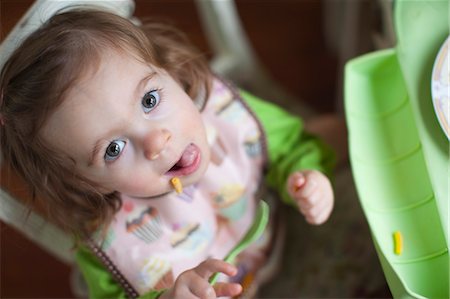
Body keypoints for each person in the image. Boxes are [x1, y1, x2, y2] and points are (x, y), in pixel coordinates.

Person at [0, 8, 336, 299]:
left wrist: (305, 176)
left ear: (169, 71)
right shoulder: (111, 238)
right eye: (114, 149)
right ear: (85, 181)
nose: (156, 142)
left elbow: (290, 143)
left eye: (149, 101)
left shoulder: (223, 117)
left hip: (283, 233)